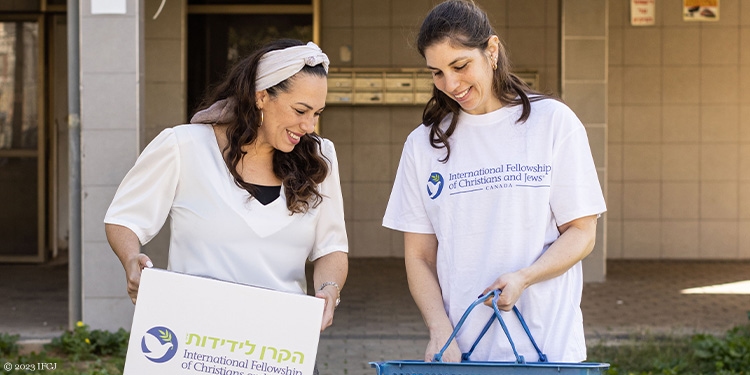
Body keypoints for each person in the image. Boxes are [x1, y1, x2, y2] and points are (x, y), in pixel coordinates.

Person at [382, 0, 606, 364]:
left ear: (492, 50)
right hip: (462, 351)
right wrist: (439, 329)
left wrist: (525, 277)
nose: (450, 84)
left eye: (460, 65)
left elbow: (582, 232)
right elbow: (419, 256)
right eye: (437, 73)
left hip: (548, 348)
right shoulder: (423, 145)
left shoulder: (553, 123)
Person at [104, 39, 348, 333]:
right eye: (300, 111)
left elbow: (331, 248)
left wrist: (329, 290)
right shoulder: (184, 145)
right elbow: (124, 218)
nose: (309, 126)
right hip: (196, 342)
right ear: (261, 97)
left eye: (317, 113)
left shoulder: (320, 157)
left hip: (282, 343)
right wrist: (131, 259)